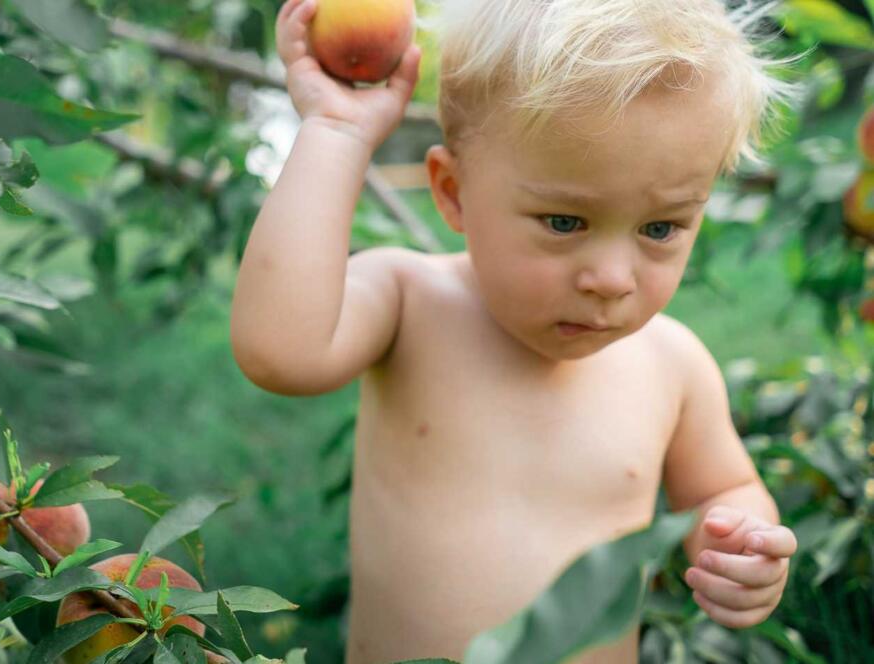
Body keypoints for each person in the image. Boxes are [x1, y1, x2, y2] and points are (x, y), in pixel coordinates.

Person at [231, 0, 805, 661]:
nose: (612, 278)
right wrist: (335, 132)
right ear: (453, 193)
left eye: (660, 228)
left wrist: (740, 541)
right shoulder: (409, 302)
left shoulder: (674, 365)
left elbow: (723, 490)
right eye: (565, 222)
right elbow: (278, 351)